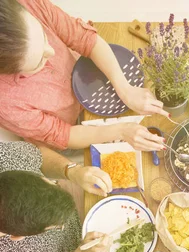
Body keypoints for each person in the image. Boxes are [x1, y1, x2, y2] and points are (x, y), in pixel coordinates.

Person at [0, 0, 166, 152]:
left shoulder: (27, 5)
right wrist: (122, 130)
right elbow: (62, 134)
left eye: (44, 38)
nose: (51, 51)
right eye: (38, 62)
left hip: (89, 81)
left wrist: (126, 90)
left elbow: (85, 39)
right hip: (74, 127)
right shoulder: (6, 102)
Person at [0, 141, 114, 252]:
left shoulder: (6, 157)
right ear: (17, 237)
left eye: (52, 184)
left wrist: (73, 172)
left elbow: (40, 155)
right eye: (57, 226)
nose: (64, 223)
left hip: (86, 209)